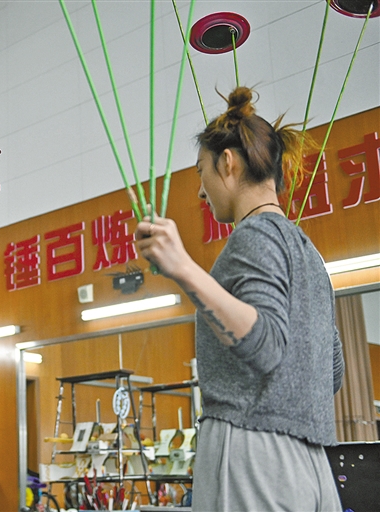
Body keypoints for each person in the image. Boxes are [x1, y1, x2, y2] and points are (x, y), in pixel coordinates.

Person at [135, 87, 344, 510]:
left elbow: (266, 347)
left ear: (228, 163)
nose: (201, 191)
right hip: (314, 465)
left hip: (253, 454)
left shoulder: (254, 235)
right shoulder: (309, 252)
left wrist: (182, 267)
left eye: (201, 172)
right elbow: (332, 371)